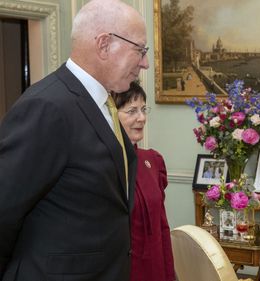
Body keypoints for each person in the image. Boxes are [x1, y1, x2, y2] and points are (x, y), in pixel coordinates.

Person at [0, 0, 149, 279]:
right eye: (139, 50)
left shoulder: (103, 103)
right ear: (104, 45)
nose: (146, 63)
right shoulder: (48, 106)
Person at [111, 81, 175, 281]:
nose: (141, 118)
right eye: (131, 111)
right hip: (121, 270)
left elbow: (162, 226)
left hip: (154, 269)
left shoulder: (153, 161)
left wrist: (168, 273)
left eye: (143, 109)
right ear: (111, 115)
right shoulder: (103, 166)